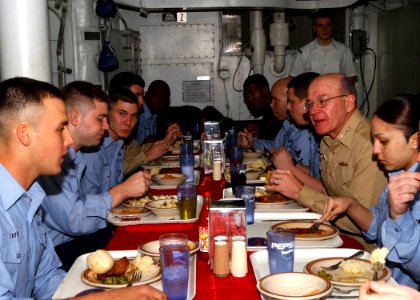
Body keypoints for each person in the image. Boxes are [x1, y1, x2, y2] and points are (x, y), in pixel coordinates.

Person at [0, 77, 166, 299]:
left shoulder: (30, 197)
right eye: (60, 129)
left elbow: (47, 278)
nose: (69, 140)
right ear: (25, 135)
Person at [266, 73, 387, 250]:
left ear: (348, 102)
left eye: (322, 101)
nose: (313, 111)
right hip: (331, 234)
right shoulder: (328, 139)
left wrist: (300, 191)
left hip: (360, 250)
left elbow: (361, 223)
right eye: (310, 104)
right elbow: (328, 191)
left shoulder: (368, 145)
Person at [38, 81, 151, 271]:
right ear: (74, 118)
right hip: (62, 250)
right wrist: (123, 191)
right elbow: (74, 221)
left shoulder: (75, 156)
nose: (106, 127)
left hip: (73, 243)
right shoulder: (52, 160)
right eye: (100, 119)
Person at [320, 94, 420, 288]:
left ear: (415, 140)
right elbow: (377, 228)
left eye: (383, 141)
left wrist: (400, 217)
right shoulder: (398, 173)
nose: (375, 150)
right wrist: (350, 204)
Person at [239, 76, 319, 174]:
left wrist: (291, 165)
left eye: (275, 99)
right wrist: (252, 143)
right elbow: (274, 146)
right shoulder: (288, 125)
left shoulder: (307, 134)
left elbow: (312, 176)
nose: (271, 104)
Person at [108, 72, 181, 176]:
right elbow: (116, 171)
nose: (142, 101)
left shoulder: (124, 135)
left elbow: (136, 151)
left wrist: (166, 142)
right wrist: (147, 155)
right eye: (138, 95)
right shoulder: (101, 139)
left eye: (142, 96)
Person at [271, 72, 322, 188]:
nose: (288, 107)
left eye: (292, 101)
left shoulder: (318, 135)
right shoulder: (315, 133)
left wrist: (290, 167)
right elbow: (315, 176)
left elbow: (327, 192)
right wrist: (292, 164)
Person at [290, 10, 357, 83]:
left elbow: (351, 77)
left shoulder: (344, 51)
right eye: (320, 26)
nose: (324, 30)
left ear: (333, 27)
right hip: (312, 94)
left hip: (336, 93)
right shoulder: (303, 53)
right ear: (314, 28)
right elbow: (293, 80)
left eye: (328, 25)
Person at [242, 74, 283, 139]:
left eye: (252, 93)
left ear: (265, 91)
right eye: (247, 95)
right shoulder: (267, 111)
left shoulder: (278, 110)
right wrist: (260, 130)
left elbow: (279, 140)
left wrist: (261, 133)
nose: (249, 99)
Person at [136, 79, 171, 144]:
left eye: (165, 100)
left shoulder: (157, 114)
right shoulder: (137, 115)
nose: (161, 103)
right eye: (158, 98)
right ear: (147, 95)